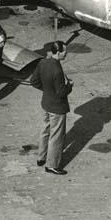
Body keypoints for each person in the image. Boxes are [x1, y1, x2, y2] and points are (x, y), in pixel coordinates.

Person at [29, 41, 73, 175]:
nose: (66, 53)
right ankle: (52, 164)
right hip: (57, 107)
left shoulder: (43, 62)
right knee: (56, 136)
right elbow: (61, 93)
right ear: (58, 53)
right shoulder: (57, 70)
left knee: (45, 130)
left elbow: (33, 81)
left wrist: (47, 90)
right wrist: (69, 86)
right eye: (65, 51)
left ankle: (41, 157)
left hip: (46, 103)